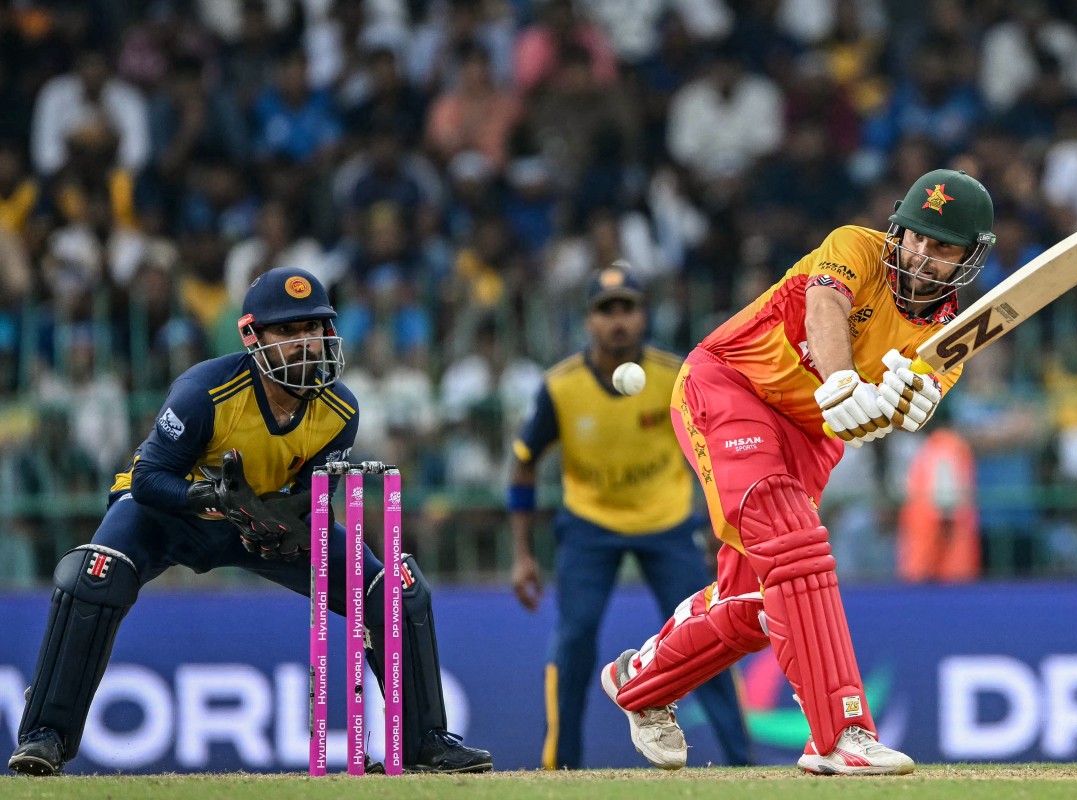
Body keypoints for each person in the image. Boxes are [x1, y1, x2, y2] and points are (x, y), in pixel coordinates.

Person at [8, 267, 492, 776]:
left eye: (312, 327)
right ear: (252, 337)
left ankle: (425, 741)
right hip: (169, 513)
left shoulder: (340, 409)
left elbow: (314, 497)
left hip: (258, 520)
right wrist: (206, 497)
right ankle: (46, 735)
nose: (304, 342)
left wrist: (288, 524)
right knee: (95, 576)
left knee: (393, 588)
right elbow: (148, 478)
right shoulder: (205, 392)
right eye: (287, 330)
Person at [599, 169, 996, 774]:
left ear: (967, 257)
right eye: (915, 236)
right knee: (795, 545)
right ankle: (840, 734)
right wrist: (843, 382)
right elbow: (825, 306)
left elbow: (908, 400)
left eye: (941, 247)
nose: (920, 254)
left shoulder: (948, 334)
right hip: (730, 386)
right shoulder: (855, 247)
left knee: (757, 602)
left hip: (810, 436)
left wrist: (905, 405)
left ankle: (640, 682)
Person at [508, 263, 751, 770]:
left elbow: (710, 449)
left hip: (667, 524)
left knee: (711, 636)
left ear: (644, 315)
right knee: (574, 641)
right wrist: (522, 555)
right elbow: (524, 462)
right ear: (589, 320)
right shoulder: (561, 386)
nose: (617, 320)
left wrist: (718, 525)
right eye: (606, 310)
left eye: (627, 308)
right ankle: (561, 767)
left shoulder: (674, 376)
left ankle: (741, 762)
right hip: (590, 525)